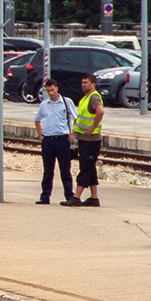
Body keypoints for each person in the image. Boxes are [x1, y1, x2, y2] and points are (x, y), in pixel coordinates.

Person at [34, 78, 80, 206]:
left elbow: (76, 118)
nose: (51, 93)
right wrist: (40, 135)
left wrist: (72, 134)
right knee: (48, 170)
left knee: (65, 170)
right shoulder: (44, 105)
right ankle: (45, 196)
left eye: (52, 90)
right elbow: (37, 120)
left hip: (62, 140)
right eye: (48, 91)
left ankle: (69, 195)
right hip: (48, 140)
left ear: (57, 89)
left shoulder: (66, 102)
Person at [73, 74, 105, 206]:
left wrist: (92, 128)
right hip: (84, 138)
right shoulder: (85, 98)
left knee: (85, 167)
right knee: (90, 168)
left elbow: (100, 111)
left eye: (86, 82)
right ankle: (94, 198)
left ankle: (76, 196)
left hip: (91, 140)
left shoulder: (94, 97)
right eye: (82, 82)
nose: (83, 85)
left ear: (93, 84)